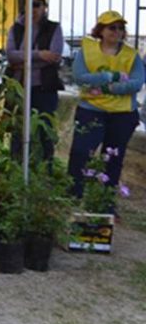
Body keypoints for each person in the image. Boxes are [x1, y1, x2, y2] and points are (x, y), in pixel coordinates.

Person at [67, 11, 143, 202]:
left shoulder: (131, 55)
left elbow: (137, 82)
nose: (116, 31)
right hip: (91, 110)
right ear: (100, 30)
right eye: (112, 27)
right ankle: (73, 195)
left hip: (122, 114)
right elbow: (80, 78)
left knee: (113, 159)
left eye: (120, 28)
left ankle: (105, 201)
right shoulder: (87, 51)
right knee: (81, 153)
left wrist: (110, 88)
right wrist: (109, 77)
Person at [5, 0, 64, 161]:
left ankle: (45, 170)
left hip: (44, 88)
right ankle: (15, 167)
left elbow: (53, 56)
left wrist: (23, 61)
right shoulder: (16, 28)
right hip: (20, 88)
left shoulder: (54, 28)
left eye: (36, 4)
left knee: (45, 132)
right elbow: (10, 55)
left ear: (44, 7)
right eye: (29, 4)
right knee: (18, 132)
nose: (32, 9)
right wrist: (39, 54)